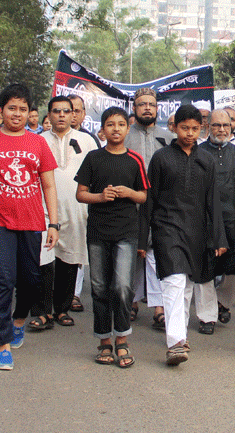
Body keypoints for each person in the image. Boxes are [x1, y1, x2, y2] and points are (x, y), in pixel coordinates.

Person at [0, 83, 60, 371]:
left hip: (31, 221)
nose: (17, 114)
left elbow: (49, 184)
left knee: (30, 279)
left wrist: (53, 222)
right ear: (1, 110)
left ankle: (18, 320)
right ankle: (2, 345)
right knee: (1, 279)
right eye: (11, 108)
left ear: (30, 112)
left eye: (22, 109)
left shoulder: (38, 142)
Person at [147, 104, 226, 366]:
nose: (190, 133)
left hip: (197, 231)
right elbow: (150, 199)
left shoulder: (206, 160)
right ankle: (176, 343)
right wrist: (141, 238)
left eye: (194, 128)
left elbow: (212, 201)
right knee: (174, 281)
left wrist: (218, 238)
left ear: (201, 128)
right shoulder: (161, 158)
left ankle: (179, 334)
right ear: (174, 127)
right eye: (184, 128)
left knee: (187, 285)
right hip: (166, 227)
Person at [75, 107, 150, 368]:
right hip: (97, 231)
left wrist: (129, 192)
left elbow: (143, 196)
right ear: (102, 129)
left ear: (127, 129)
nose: (115, 129)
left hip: (127, 232)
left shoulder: (135, 160)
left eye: (120, 124)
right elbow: (80, 194)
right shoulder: (93, 158)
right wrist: (99, 197)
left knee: (122, 286)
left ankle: (122, 339)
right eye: (110, 124)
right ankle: (103, 340)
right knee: (99, 287)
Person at [28, 96, 97, 332]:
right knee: (43, 260)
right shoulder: (36, 141)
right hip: (44, 208)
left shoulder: (87, 141)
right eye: (56, 111)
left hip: (76, 209)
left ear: (73, 115)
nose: (61, 115)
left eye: (66, 111)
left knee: (70, 260)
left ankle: (62, 309)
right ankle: (42, 311)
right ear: (48, 115)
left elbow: (95, 176)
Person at [126, 87, 174, 330]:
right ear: (134, 108)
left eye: (151, 105)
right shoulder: (124, 136)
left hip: (160, 205)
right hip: (129, 204)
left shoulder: (168, 137)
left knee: (156, 253)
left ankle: (159, 307)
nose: (147, 108)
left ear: (157, 109)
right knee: (133, 251)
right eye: (142, 104)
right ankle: (131, 302)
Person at [198, 109, 235, 331]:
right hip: (204, 221)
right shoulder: (197, 152)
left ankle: (222, 302)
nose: (221, 129)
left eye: (225, 126)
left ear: (232, 128)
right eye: (216, 125)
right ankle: (207, 317)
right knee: (205, 270)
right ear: (207, 126)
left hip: (234, 222)